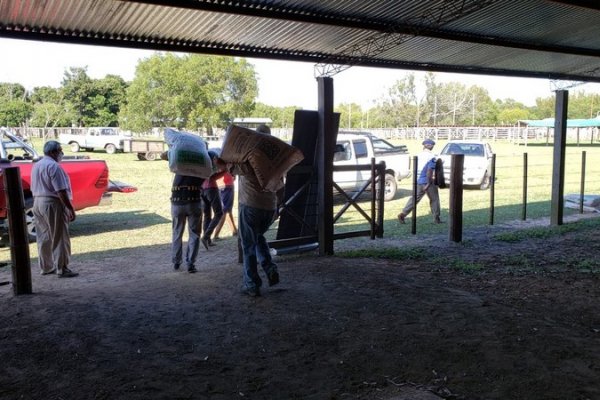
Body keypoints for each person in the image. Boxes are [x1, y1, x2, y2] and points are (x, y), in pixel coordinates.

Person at [214, 123, 280, 297]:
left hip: (251, 205)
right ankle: (270, 268)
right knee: (258, 237)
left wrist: (222, 163)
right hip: (270, 206)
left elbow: (233, 168)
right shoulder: (275, 160)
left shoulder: (251, 156)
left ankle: (251, 284)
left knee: (248, 244)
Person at [31, 140, 78, 277]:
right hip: (52, 203)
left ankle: (46, 267)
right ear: (53, 152)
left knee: (44, 236)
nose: (61, 153)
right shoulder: (54, 167)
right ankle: (62, 268)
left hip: (37, 202)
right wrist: (70, 208)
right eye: (59, 150)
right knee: (60, 236)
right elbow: (61, 191)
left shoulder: (37, 165)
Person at [397, 138, 442, 224]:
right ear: (431, 146)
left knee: (414, 199)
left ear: (424, 146)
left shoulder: (418, 155)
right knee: (434, 199)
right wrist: (429, 183)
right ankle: (436, 218)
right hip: (427, 181)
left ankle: (403, 214)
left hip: (418, 181)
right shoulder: (432, 157)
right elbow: (429, 170)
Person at [170, 172, 204, 273]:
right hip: (194, 201)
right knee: (194, 234)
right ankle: (190, 263)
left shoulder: (179, 165)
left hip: (177, 201)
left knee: (177, 232)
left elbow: (164, 156)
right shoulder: (199, 166)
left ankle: (176, 261)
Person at [200, 151, 225, 249]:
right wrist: (225, 171)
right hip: (211, 189)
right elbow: (213, 178)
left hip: (202, 189)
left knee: (207, 215)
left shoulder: (203, 166)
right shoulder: (211, 166)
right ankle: (206, 237)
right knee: (219, 213)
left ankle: (208, 240)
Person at [212, 170, 238, 240]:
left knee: (228, 210)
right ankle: (216, 235)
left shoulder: (215, 160)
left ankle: (234, 230)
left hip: (219, 184)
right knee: (225, 211)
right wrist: (233, 175)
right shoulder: (225, 160)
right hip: (227, 184)